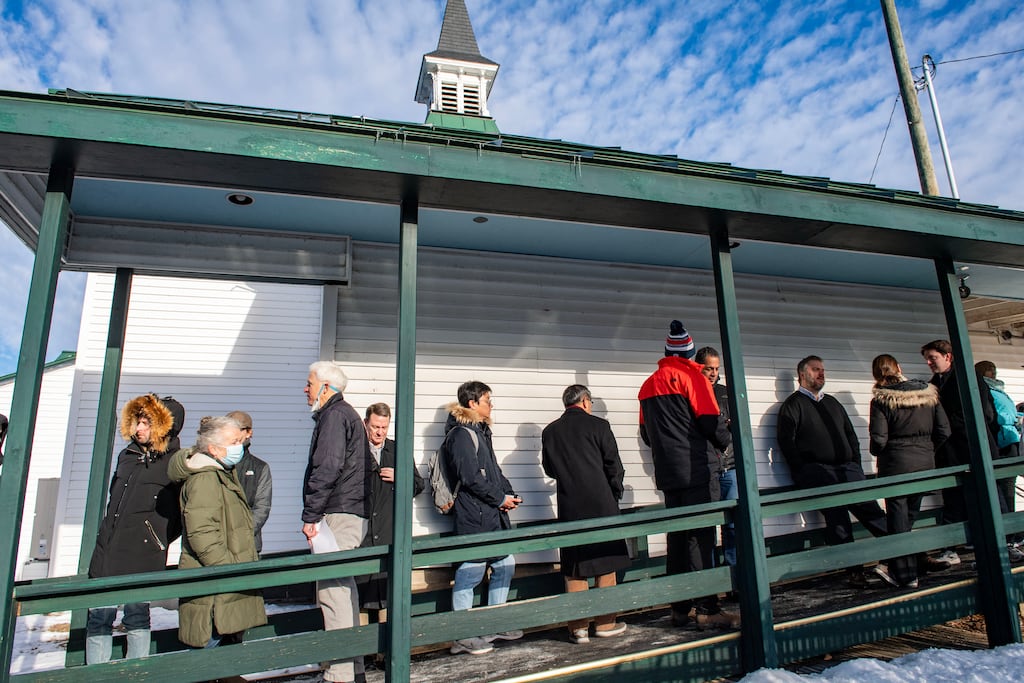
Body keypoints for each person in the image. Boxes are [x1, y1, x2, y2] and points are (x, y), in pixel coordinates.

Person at [638, 321, 737, 629]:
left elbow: (646, 435)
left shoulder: (648, 385)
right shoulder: (694, 378)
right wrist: (726, 436)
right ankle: (707, 608)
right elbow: (712, 425)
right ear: (690, 354)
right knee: (702, 538)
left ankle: (680, 608)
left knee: (678, 540)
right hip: (697, 469)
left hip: (668, 474)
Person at [86, 394, 184, 664]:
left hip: (142, 552)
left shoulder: (174, 462)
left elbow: (178, 513)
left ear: (164, 426)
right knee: (99, 615)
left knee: (137, 616)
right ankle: (96, 677)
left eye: (146, 423)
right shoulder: (126, 455)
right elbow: (112, 499)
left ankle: (137, 675)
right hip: (108, 546)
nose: (139, 429)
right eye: (137, 422)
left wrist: (154, 537)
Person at [776, 355, 888, 587]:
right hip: (819, 472)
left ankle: (902, 557)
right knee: (838, 523)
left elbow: (850, 435)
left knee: (872, 513)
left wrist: (855, 463)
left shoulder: (833, 403)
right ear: (802, 374)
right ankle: (853, 571)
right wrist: (804, 471)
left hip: (848, 470)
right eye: (816, 370)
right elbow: (786, 443)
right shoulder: (793, 405)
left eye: (823, 370)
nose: (821, 373)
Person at [541, 384, 630, 644]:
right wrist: (614, 493)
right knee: (606, 563)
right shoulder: (600, 427)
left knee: (574, 568)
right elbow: (614, 465)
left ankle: (578, 628)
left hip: (571, 506)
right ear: (585, 401)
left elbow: (549, 469)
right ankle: (605, 623)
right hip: (601, 504)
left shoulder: (550, 431)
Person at [168, 415, 267, 648]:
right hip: (217, 588)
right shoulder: (206, 479)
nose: (239, 446)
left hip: (224, 584)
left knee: (222, 652)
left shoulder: (221, 473)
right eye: (233, 442)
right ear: (214, 448)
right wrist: (229, 568)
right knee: (208, 650)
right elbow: (202, 533)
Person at [301, 361, 371, 683]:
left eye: (310, 383)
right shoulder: (346, 415)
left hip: (337, 513)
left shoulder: (334, 416)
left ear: (326, 387)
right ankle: (351, 667)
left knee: (332, 591)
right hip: (349, 510)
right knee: (343, 589)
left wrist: (311, 515)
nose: (306, 389)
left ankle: (340, 674)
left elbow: (327, 466)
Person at [443, 381, 522, 655]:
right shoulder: (461, 434)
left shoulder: (481, 432)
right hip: (473, 515)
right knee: (470, 571)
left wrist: (509, 493)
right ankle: (462, 636)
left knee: (505, 562)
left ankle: (493, 624)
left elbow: (493, 471)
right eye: (488, 400)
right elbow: (470, 478)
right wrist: (500, 498)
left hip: (490, 514)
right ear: (473, 403)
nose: (492, 405)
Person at [868, 354, 951, 588]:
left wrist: (877, 452)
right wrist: (927, 449)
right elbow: (944, 430)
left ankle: (904, 575)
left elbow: (879, 438)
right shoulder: (928, 393)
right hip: (924, 463)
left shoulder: (881, 400)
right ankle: (904, 564)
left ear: (876, 375)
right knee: (911, 514)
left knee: (898, 519)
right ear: (899, 368)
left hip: (895, 465)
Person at [921, 340, 1001, 565]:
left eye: (932, 358)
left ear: (948, 356)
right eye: (927, 359)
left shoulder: (967, 377)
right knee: (953, 499)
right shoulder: (933, 385)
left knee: (988, 495)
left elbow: (984, 413)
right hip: (951, 452)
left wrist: (947, 428)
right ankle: (951, 548)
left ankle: (1007, 542)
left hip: (972, 447)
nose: (929, 363)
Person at [357, 402, 425, 620]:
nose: (379, 432)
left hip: (388, 533)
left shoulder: (397, 451)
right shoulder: (354, 451)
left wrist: (401, 478)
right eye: (375, 426)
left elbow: (418, 484)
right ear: (366, 423)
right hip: (361, 535)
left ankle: (386, 652)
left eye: (384, 427)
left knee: (387, 594)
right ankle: (361, 652)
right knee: (359, 595)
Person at [975, 360, 1024, 560]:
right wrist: (1016, 418)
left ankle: (1010, 535)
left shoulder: (992, 391)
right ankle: (1010, 535)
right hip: (1006, 443)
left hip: (1004, 443)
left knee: (1004, 490)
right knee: (1005, 490)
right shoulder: (995, 391)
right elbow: (1003, 417)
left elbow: (1000, 417)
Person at [695, 346, 737, 569]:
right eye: (709, 368)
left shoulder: (725, 393)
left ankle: (736, 576)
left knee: (733, 525)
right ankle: (712, 581)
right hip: (705, 470)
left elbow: (736, 428)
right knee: (707, 527)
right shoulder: (692, 392)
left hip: (729, 466)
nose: (713, 373)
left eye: (716, 369)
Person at [225, 411, 273, 555]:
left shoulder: (259, 467)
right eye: (228, 429)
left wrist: (243, 533)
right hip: (219, 545)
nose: (234, 434)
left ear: (249, 432)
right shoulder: (215, 463)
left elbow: (262, 507)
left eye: (238, 429)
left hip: (249, 544)